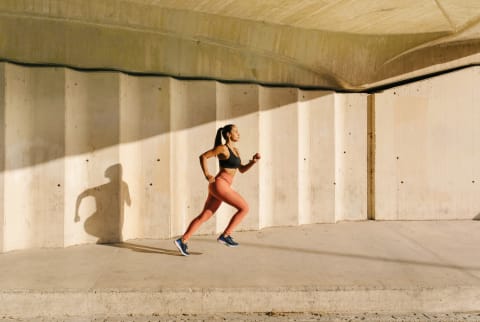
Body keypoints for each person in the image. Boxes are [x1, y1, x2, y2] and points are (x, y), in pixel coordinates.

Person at [174, 124, 261, 256]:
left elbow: (241, 170)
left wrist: (253, 162)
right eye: (236, 132)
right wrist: (207, 174)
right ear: (228, 134)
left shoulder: (236, 151)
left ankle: (182, 240)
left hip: (221, 186)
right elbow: (203, 157)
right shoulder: (222, 149)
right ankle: (225, 235)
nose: (238, 134)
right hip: (220, 184)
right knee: (244, 208)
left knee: (205, 215)